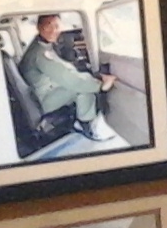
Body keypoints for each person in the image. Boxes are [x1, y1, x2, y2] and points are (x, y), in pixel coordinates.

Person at [17, 13, 116, 141]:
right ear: (39, 27)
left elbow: (62, 68)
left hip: (41, 92)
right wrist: (100, 85)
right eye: (48, 26)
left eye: (57, 26)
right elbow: (68, 79)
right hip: (43, 100)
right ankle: (87, 126)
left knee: (83, 81)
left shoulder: (41, 45)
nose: (53, 31)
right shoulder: (40, 54)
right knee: (82, 89)